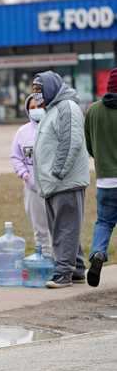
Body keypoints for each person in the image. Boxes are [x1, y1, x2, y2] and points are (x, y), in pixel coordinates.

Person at [32, 71, 90, 288]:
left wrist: (57, 171)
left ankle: (63, 273)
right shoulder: (51, 110)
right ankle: (77, 268)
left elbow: (71, 142)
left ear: (50, 88)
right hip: (52, 182)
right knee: (65, 226)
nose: (36, 94)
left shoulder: (67, 108)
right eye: (34, 90)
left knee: (64, 227)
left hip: (64, 181)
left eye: (39, 89)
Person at [85, 67, 117, 287]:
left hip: (105, 179)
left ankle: (97, 253)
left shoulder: (93, 110)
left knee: (104, 222)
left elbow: (90, 146)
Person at [10, 95, 53, 257]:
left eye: (39, 106)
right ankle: (45, 259)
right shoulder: (22, 132)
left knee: (57, 227)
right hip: (32, 188)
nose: (36, 110)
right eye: (32, 108)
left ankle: (61, 262)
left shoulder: (53, 128)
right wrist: (24, 174)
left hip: (54, 187)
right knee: (40, 229)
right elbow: (15, 157)